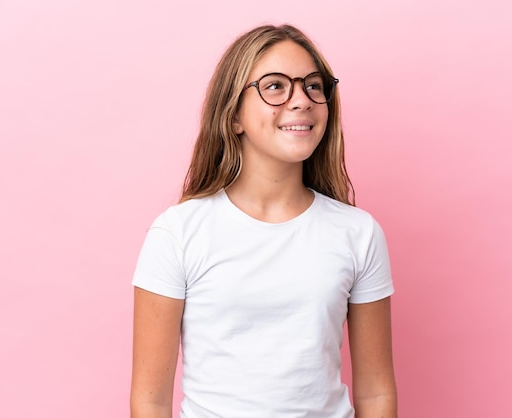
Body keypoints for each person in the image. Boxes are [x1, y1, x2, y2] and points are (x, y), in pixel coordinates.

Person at [130, 24, 397, 418]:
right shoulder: (178, 233)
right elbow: (150, 401)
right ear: (234, 114)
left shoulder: (359, 234)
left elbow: (376, 393)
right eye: (275, 86)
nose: (302, 100)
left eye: (313, 86)